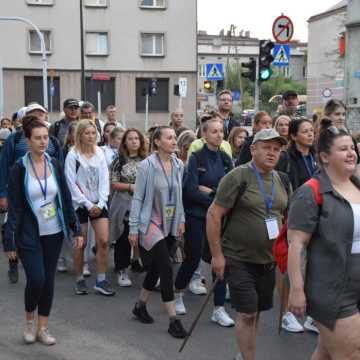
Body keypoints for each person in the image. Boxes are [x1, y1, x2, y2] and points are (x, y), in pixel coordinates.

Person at [207, 128, 290, 360]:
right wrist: (217, 255)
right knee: (248, 313)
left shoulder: (282, 179)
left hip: (268, 260)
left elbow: (285, 218)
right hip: (238, 257)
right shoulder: (238, 176)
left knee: (257, 312)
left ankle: (243, 353)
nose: (272, 153)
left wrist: (286, 253)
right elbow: (214, 215)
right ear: (253, 149)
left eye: (276, 149)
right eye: (266, 148)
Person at [2, 115, 83, 345]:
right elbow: (15, 208)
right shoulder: (19, 168)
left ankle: (43, 328)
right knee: (36, 279)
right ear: (28, 140)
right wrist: (9, 241)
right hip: (29, 234)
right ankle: (29, 321)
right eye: (37, 138)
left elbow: (65, 199)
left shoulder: (54, 163)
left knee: (48, 281)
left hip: (54, 232)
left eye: (45, 137)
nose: (42, 142)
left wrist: (75, 228)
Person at [287, 120, 360, 359]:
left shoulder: (358, 186)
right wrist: (296, 290)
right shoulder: (311, 192)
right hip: (333, 290)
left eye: (353, 148)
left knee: (325, 352)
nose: (351, 153)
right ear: (325, 157)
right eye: (343, 149)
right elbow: (296, 244)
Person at [174, 117, 235, 327]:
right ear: (205, 134)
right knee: (193, 258)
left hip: (220, 217)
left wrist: (212, 192)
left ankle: (218, 309)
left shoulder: (227, 159)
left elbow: (231, 189)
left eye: (221, 131)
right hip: (197, 216)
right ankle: (178, 293)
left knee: (221, 262)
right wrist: (215, 198)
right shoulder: (196, 158)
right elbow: (191, 190)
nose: (219, 135)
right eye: (214, 131)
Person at [129, 126, 188, 339]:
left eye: (175, 138)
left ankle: (140, 305)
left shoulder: (178, 164)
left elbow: (179, 195)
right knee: (165, 266)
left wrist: (181, 219)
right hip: (150, 222)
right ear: (157, 142)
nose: (174, 141)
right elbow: (137, 197)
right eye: (169, 138)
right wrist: (133, 228)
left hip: (170, 221)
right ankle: (173, 320)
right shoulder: (147, 166)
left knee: (154, 268)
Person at [0, 107, 63, 284]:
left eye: (41, 114)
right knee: (13, 224)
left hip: (47, 195)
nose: (38, 117)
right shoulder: (15, 139)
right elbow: (4, 166)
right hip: (20, 191)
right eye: (34, 114)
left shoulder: (53, 142)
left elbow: (61, 167)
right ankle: (13, 261)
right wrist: (3, 194)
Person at [275, 118, 318, 334]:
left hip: (316, 217)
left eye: (312, 131)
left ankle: (311, 315)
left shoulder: (316, 157)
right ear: (293, 136)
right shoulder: (286, 158)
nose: (310, 135)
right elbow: (279, 185)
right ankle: (286, 314)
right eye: (305, 131)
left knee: (313, 267)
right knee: (290, 266)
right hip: (292, 216)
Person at [65, 119, 115, 296]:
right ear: (79, 135)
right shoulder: (73, 155)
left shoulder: (99, 153)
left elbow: (104, 180)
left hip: (99, 203)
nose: (91, 136)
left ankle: (101, 280)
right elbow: (71, 183)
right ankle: (79, 279)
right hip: (80, 205)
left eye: (93, 133)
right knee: (81, 243)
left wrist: (101, 203)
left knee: (103, 241)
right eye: (87, 133)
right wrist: (87, 203)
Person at [109, 128, 147, 287]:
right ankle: (121, 269)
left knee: (140, 234)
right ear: (125, 141)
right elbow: (113, 183)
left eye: (137, 139)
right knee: (123, 236)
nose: (134, 141)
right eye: (130, 139)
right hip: (124, 203)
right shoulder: (119, 160)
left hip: (143, 204)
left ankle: (136, 260)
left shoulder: (147, 160)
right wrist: (131, 187)